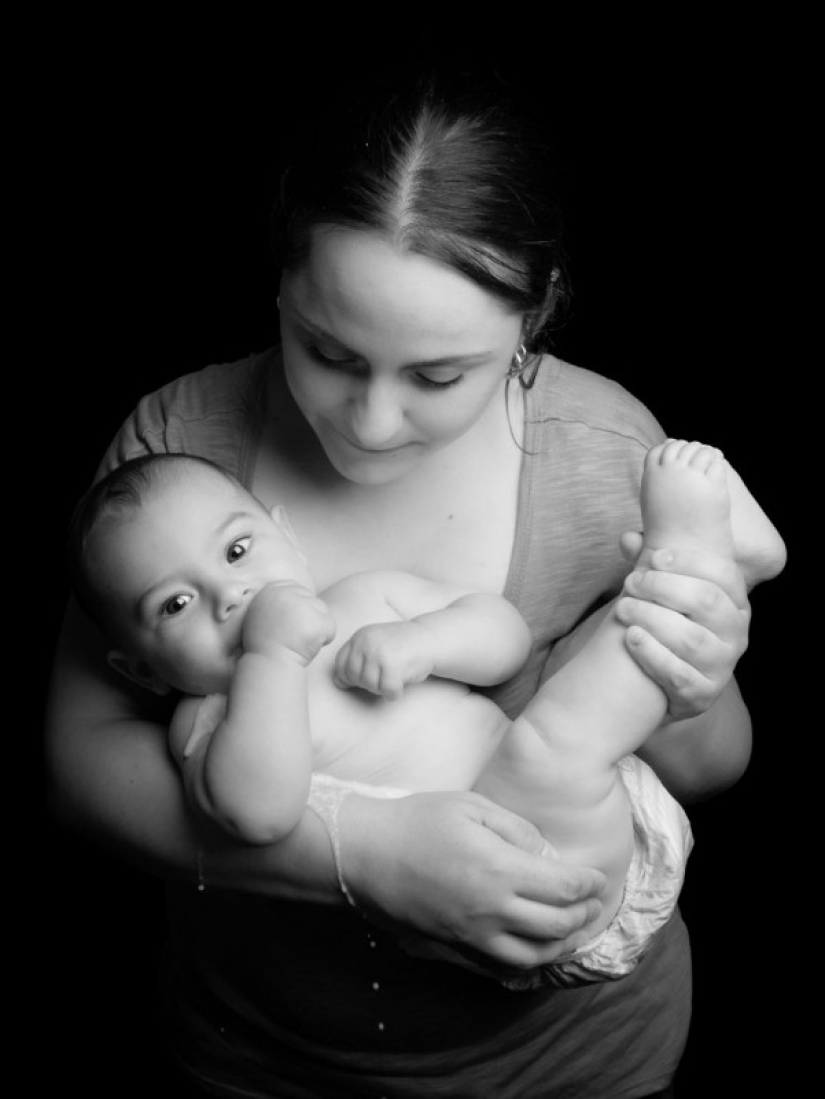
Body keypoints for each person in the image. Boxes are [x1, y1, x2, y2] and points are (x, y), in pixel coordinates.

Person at [45, 67, 786, 1098]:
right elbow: (80, 767)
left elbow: (708, 768)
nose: (370, 420)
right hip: (265, 1053)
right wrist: (366, 855)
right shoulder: (179, 451)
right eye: (327, 350)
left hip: (571, 1057)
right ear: (280, 285)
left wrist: (694, 670)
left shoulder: (607, 453)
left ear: (539, 314)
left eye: (439, 376)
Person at [66, 440, 781, 991]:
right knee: (548, 746)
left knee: (572, 671)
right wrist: (271, 661)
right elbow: (258, 815)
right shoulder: (207, 723)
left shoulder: (365, 599)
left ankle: (694, 582)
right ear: (141, 669)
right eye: (175, 605)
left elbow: (502, 640)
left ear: (287, 535)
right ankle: (690, 562)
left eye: (238, 549)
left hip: (584, 807)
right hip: (524, 880)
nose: (229, 592)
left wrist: (425, 641)